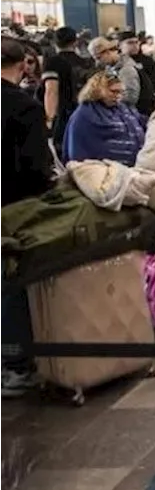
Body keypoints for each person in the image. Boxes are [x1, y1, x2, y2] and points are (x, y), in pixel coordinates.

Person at [0, 37, 53, 397]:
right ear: (23, 66)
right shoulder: (24, 108)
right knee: (10, 286)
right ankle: (16, 367)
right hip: (11, 208)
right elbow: (36, 170)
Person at [64, 69, 146, 166]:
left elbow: (142, 123)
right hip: (101, 173)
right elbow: (78, 150)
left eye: (120, 92)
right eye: (113, 91)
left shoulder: (125, 109)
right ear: (98, 89)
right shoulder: (84, 115)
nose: (118, 96)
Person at [41, 25, 93, 156]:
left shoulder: (52, 62)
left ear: (54, 42)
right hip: (86, 112)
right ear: (75, 42)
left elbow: (51, 91)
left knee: (63, 152)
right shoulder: (87, 62)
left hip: (63, 115)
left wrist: (49, 119)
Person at [88, 35, 142, 110]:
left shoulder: (126, 69)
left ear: (107, 52)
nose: (97, 62)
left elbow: (131, 98)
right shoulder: (110, 68)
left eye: (98, 58)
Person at [121, 30, 155, 117]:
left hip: (146, 105)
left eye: (136, 42)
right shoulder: (119, 63)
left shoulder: (147, 60)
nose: (135, 45)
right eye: (130, 43)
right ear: (120, 45)